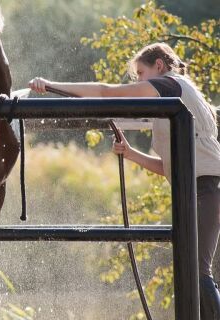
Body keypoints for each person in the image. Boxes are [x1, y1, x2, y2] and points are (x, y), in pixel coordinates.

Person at [28, 42, 220, 319]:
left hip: (206, 189)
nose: (139, 81)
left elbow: (106, 92)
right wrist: (131, 154)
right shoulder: (178, 98)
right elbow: (171, 168)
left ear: (159, 66)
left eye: (141, 73)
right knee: (192, 270)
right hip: (200, 188)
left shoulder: (170, 85)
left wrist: (50, 84)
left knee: (197, 271)